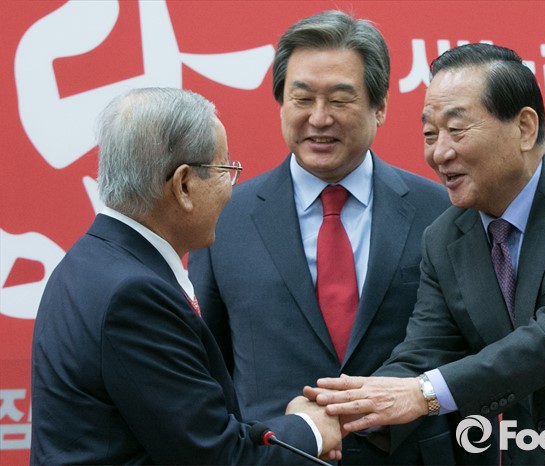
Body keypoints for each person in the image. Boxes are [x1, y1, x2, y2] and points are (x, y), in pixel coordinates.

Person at [307, 43, 545, 465]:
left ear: (525, 128)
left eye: (457, 129)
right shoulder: (443, 238)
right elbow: (423, 353)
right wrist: (341, 411)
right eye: (430, 135)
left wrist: (422, 394)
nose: (439, 153)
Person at [187, 10, 485, 465]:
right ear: (281, 104)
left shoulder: (442, 212)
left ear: (380, 107)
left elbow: (468, 356)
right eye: (302, 98)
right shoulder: (225, 215)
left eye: (340, 100)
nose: (319, 118)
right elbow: (208, 365)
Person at [30, 87, 341, 465]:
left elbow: (184, 431)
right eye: (226, 171)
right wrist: (310, 429)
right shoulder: (134, 296)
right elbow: (217, 457)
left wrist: (287, 426)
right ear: (183, 185)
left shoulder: (89, 263)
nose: (230, 190)